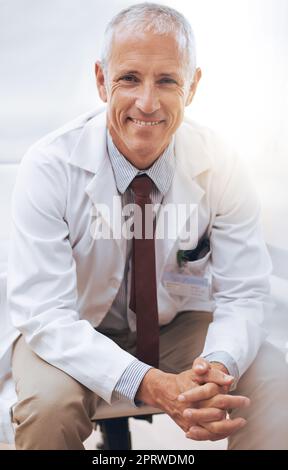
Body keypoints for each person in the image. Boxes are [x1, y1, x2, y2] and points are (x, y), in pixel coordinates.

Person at [4, 2, 288, 450]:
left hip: (176, 327)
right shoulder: (49, 165)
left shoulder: (224, 163)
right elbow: (45, 313)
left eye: (168, 80)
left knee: (276, 383)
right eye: (129, 78)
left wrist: (217, 365)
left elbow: (245, 292)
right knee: (49, 409)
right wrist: (150, 383)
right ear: (102, 81)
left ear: (192, 86)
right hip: (73, 328)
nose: (148, 102)